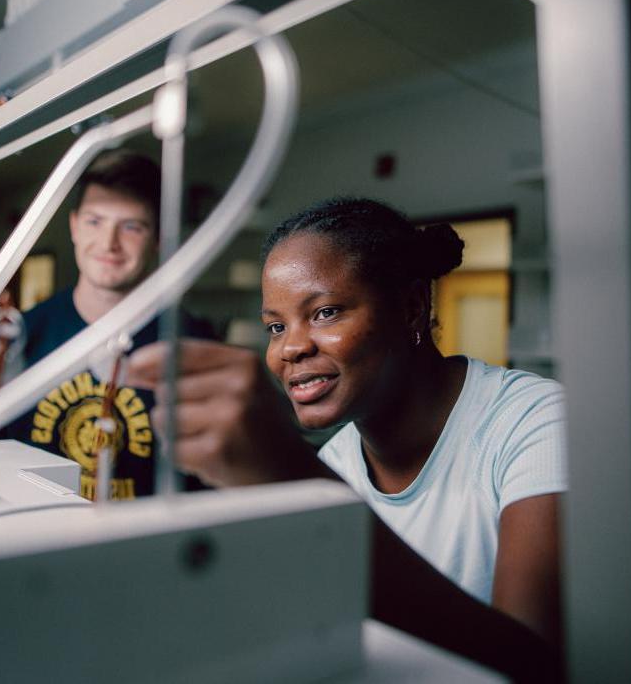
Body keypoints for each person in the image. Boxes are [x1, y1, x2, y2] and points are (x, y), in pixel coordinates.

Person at [128, 197, 566, 681]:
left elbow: (534, 665)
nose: (289, 348)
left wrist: (293, 482)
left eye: (325, 312)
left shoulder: (535, 423)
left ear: (412, 307)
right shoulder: (337, 460)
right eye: (276, 326)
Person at [0, 149, 215, 501]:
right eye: (95, 221)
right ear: (74, 225)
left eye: (131, 226)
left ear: (157, 238)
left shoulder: (192, 344)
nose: (109, 243)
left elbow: (207, 483)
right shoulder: (21, 336)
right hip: (34, 539)